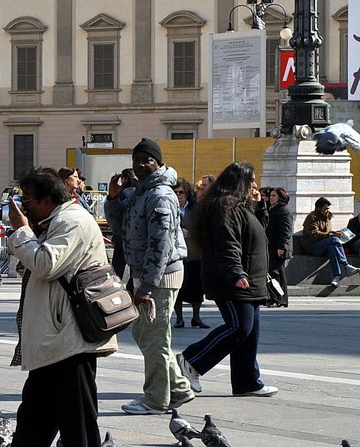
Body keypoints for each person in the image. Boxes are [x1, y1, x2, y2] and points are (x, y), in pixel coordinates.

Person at [0, 169, 117, 447]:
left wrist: (22, 232)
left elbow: (45, 264)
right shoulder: (59, 221)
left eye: (28, 201)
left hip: (70, 334)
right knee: (36, 410)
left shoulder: (72, 222)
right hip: (57, 334)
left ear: (47, 199)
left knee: (77, 411)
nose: (25, 209)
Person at [105, 138, 195, 415]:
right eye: (137, 160)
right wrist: (113, 197)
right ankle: (178, 388)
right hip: (146, 274)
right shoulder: (140, 192)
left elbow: (161, 246)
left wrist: (146, 285)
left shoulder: (160, 195)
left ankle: (156, 399)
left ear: (158, 162)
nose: (141, 165)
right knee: (143, 332)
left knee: (155, 338)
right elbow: (119, 227)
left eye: (147, 160)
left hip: (161, 277)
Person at [176, 162, 278, 397]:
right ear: (239, 182)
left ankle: (247, 382)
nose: (255, 185)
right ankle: (192, 360)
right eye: (251, 180)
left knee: (250, 332)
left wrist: (260, 206)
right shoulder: (225, 207)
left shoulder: (241, 206)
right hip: (232, 278)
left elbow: (257, 234)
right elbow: (227, 243)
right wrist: (235, 272)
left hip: (250, 276)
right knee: (238, 327)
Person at [172, 179, 207, 329]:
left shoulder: (195, 208)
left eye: (181, 192)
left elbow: (203, 228)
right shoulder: (169, 207)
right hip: (176, 255)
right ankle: (179, 318)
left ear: (187, 194)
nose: (178, 195)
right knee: (178, 288)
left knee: (196, 287)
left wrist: (191, 234)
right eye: (175, 192)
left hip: (193, 253)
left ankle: (196, 317)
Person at [301, 197, 358, 287]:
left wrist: (335, 233)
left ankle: (336, 277)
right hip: (312, 246)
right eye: (325, 209)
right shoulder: (312, 217)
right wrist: (332, 235)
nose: (327, 211)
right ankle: (346, 265)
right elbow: (314, 234)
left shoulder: (328, 218)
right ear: (318, 208)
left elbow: (327, 233)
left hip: (325, 245)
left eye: (328, 209)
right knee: (334, 240)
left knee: (332, 248)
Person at [266, 187, 292, 307]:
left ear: (281, 198)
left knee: (275, 272)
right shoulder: (272, 209)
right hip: (271, 246)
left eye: (274, 196)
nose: (271, 198)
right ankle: (277, 297)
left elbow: (286, 231)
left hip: (278, 247)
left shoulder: (283, 211)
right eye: (270, 196)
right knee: (275, 272)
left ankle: (278, 298)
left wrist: (282, 246)